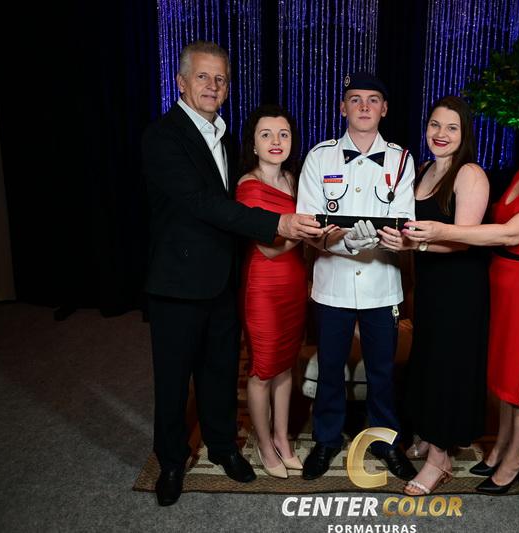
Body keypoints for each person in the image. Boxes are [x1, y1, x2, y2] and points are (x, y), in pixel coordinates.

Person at [142, 41, 323, 506]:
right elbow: (201, 203)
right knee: (174, 380)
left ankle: (223, 446)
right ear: (181, 82)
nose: (212, 85)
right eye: (202, 77)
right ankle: (171, 461)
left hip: (224, 278)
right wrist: (278, 224)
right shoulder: (163, 136)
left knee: (220, 371)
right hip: (178, 280)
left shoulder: (222, 137)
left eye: (220, 79)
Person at [403, 100, 519, 495]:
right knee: (505, 377)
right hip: (501, 285)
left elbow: (509, 233)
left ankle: (514, 461)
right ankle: (500, 449)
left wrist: (440, 231)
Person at [296, 72, 417, 481]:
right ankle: (326, 439)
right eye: (355, 99)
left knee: (382, 370)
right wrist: (347, 243)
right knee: (331, 367)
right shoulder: (320, 157)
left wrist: (394, 240)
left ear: (384, 109)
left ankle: (385, 441)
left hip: (382, 285)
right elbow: (310, 225)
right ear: (342, 107)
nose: (364, 106)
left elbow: (404, 223)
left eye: (373, 99)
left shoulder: (401, 159)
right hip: (332, 284)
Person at [378, 95, 490, 495]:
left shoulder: (470, 174)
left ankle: (440, 460)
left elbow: (464, 239)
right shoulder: (424, 169)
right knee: (427, 361)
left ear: (464, 134)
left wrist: (414, 245)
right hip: (430, 286)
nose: (441, 134)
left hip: (460, 288)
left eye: (451, 128)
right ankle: (430, 433)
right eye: (435, 125)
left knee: (447, 368)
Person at [236, 105, 306, 479]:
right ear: (253, 143)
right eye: (266, 134)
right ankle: (264, 445)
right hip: (263, 286)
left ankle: (282, 438)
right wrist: (311, 234)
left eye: (283, 134)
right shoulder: (247, 185)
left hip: (294, 282)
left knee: (285, 364)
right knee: (263, 368)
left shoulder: (294, 180)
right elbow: (269, 248)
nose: (276, 141)